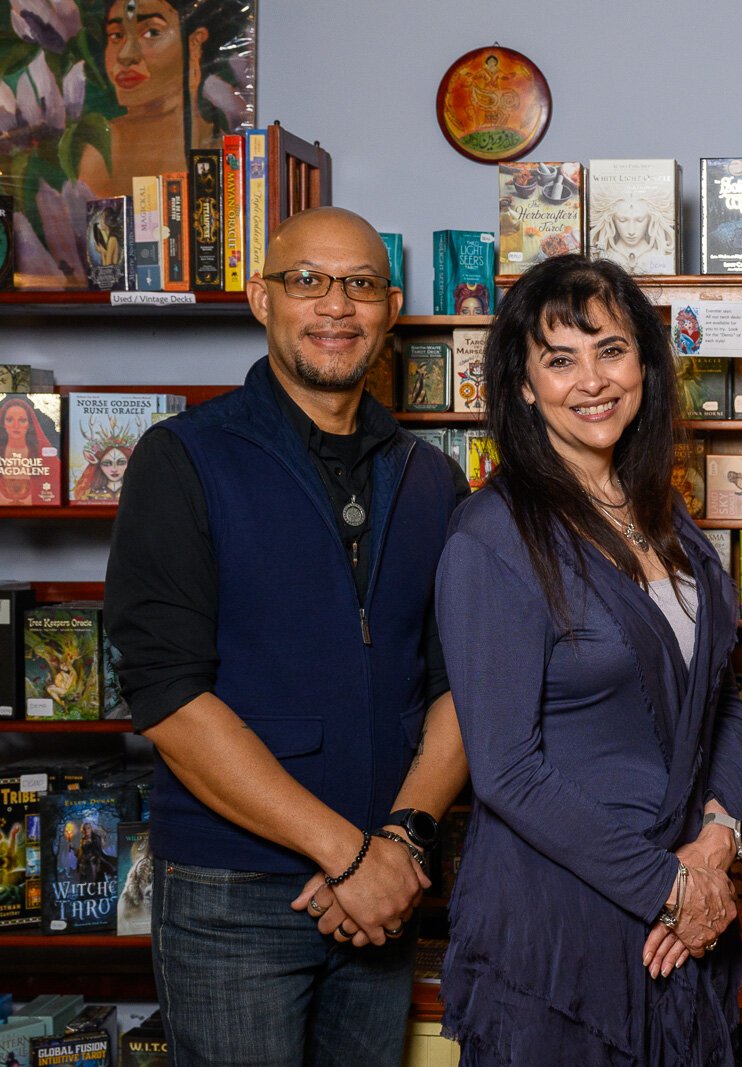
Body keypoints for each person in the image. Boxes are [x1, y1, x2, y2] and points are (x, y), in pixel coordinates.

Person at [105, 206, 470, 1065]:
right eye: (307, 281)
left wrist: (399, 843)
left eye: (360, 285)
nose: (335, 306)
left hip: (386, 889)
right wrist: (350, 855)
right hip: (235, 896)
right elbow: (168, 697)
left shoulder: (432, 478)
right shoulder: (183, 458)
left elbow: (461, 686)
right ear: (260, 298)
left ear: (390, 308)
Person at [434, 254, 742, 1065]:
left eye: (610, 349)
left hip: (681, 916)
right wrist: (672, 888)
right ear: (524, 385)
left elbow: (716, 697)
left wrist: (718, 834)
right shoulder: (491, 536)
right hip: (559, 936)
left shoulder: (665, 514)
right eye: (560, 359)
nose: (592, 380)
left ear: (645, 360)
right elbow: (507, 771)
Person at [80, 0, 246, 199]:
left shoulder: (226, 156)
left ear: (195, 43)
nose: (126, 55)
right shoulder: (99, 154)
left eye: (151, 33)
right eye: (116, 35)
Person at [0, 394, 58, 505]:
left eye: (22, 420)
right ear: (3, 423)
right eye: (9, 420)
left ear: (29, 424)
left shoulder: (42, 450)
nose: (16, 426)